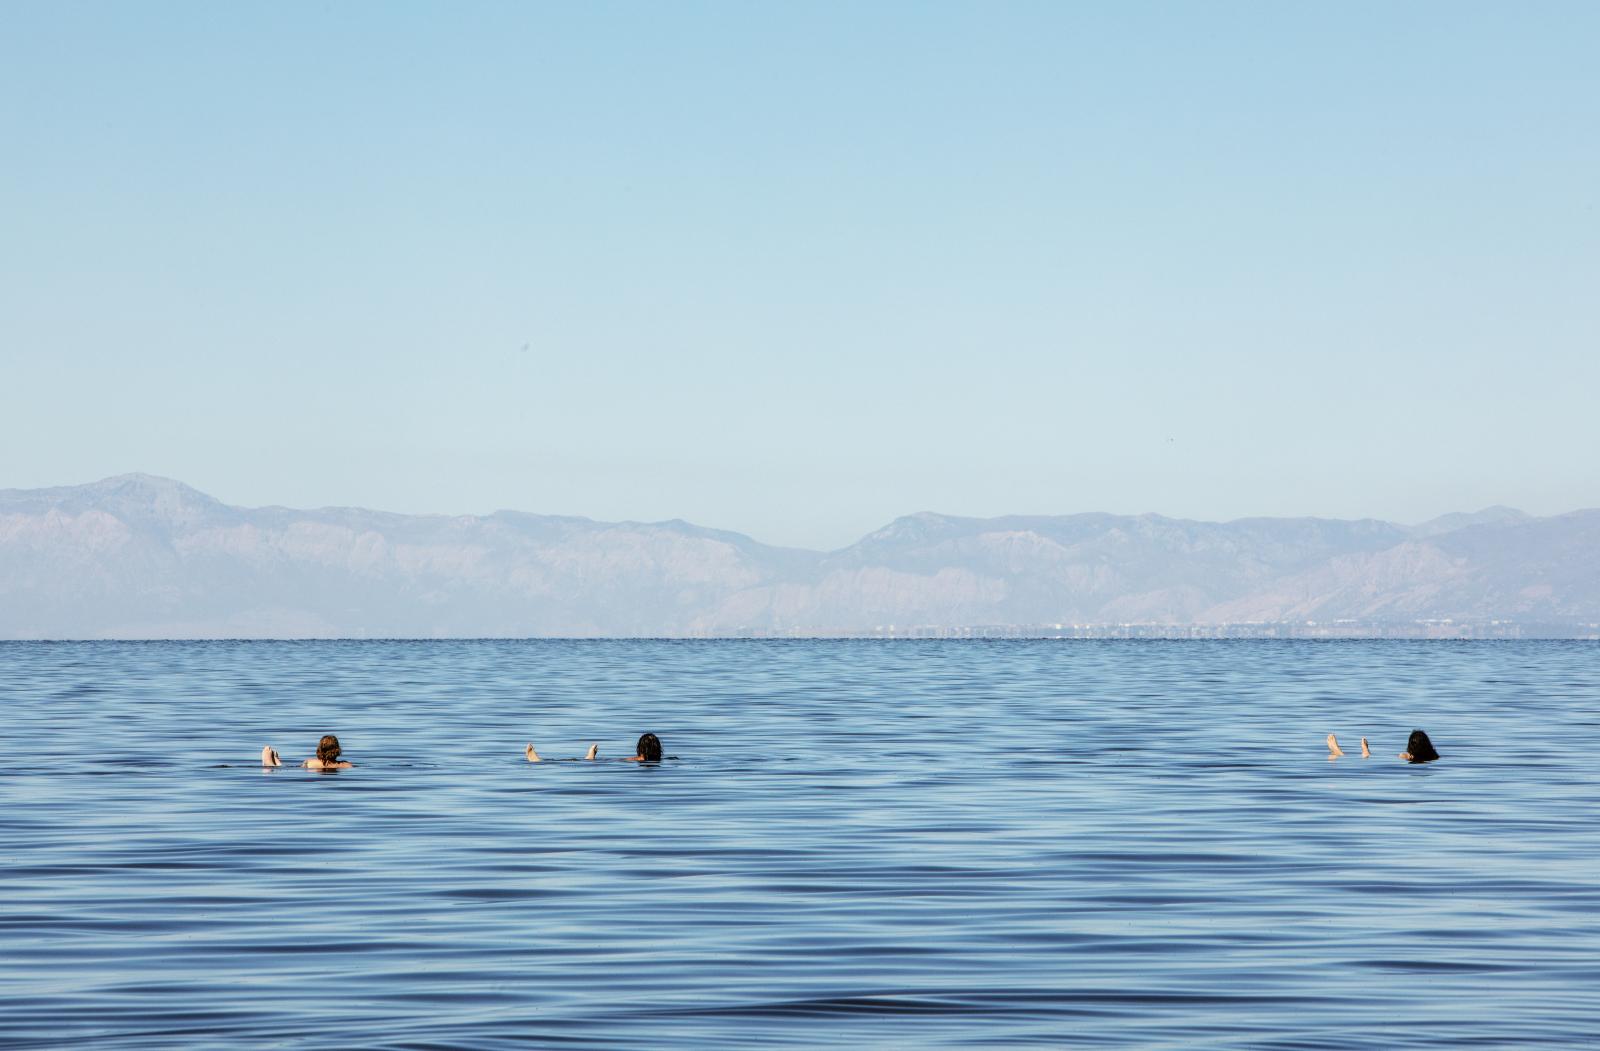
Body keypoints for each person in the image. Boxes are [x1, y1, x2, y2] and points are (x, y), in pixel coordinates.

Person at [525, 733, 663, 763]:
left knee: (574, 761)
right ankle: (590, 758)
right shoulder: (660, 760)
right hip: (612, 762)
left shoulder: (637, 759)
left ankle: (539, 761)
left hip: (611, 761)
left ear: (639, 747)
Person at [1326, 729, 1439, 763]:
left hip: (1395, 760)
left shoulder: (1405, 756)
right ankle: (1366, 753)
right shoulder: (1435, 757)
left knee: (1371, 758)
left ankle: (1339, 752)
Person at [261, 734, 354, 770]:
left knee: (283, 767)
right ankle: (276, 764)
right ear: (338, 750)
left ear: (319, 750)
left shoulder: (310, 763)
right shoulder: (347, 765)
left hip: (310, 767)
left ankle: (273, 765)